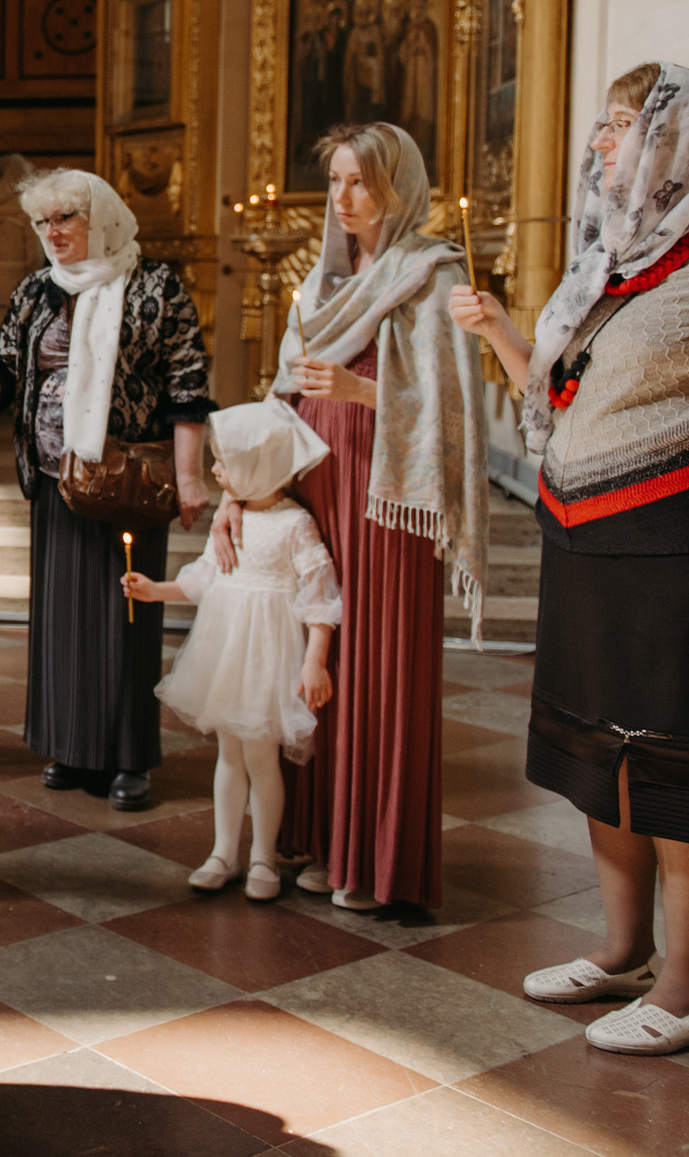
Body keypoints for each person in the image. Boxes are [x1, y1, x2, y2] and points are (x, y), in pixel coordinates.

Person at [451, 63, 689, 1056]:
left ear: (677, 135)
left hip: (680, 549)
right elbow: (559, 409)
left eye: (618, 124)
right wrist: (503, 336)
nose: (600, 144)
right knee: (592, 756)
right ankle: (623, 956)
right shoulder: (615, 258)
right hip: (584, 545)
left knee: (673, 766)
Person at [214, 122, 486, 912]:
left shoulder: (432, 276)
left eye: (360, 181)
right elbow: (279, 395)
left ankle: (373, 858)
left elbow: (456, 408)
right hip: (319, 487)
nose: (343, 198)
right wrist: (237, 492)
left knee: (375, 664)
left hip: (389, 494)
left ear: (398, 187)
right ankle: (315, 839)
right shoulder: (322, 284)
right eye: (334, 181)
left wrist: (366, 393)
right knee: (308, 659)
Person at [0, 167, 212, 811]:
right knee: (62, 620)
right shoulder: (37, 290)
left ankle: (128, 755)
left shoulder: (154, 285)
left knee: (125, 615)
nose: (52, 233)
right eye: (43, 222)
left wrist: (192, 475)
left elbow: (188, 385)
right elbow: (5, 377)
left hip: (127, 482)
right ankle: (70, 744)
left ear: (104, 217)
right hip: (56, 479)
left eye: (66, 218)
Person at [129, 400, 340, 901]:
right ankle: (224, 852)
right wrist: (156, 589)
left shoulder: (295, 525)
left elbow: (320, 598)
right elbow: (205, 577)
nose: (216, 470)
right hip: (226, 654)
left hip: (268, 659)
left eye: (225, 462)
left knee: (263, 758)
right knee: (229, 754)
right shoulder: (231, 519)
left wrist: (315, 660)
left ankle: (264, 857)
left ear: (258, 468)